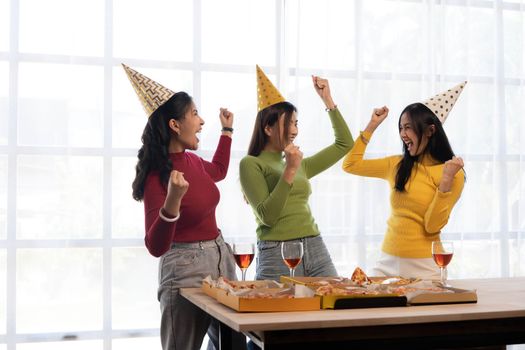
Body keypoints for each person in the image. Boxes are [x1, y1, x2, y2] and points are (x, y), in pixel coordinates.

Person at [123, 64, 245, 350]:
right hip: (184, 270)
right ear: (175, 125)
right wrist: (173, 200)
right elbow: (155, 246)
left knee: (233, 346)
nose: (202, 121)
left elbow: (218, 170)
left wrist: (227, 131)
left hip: (221, 259)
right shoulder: (158, 175)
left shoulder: (193, 162)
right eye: (194, 114)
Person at [239, 65, 354, 281]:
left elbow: (345, 144)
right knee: (276, 314)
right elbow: (268, 217)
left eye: (296, 123)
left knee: (333, 304)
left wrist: (327, 100)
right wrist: (290, 170)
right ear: (268, 128)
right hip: (276, 252)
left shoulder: (300, 164)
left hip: (315, 246)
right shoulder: (250, 164)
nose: (295, 130)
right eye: (288, 123)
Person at [342, 82, 467, 279]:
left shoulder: (453, 173)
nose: (402, 134)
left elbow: (432, 226)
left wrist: (445, 181)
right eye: (401, 128)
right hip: (387, 262)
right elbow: (350, 165)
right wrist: (372, 126)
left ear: (430, 131)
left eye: (408, 128)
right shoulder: (397, 165)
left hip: (426, 265)